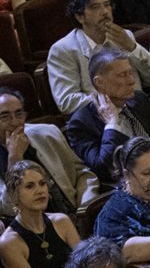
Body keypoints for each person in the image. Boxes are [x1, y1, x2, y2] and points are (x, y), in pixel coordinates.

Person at [64, 49, 150, 188]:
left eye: (130, 73)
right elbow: (104, 169)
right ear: (99, 82)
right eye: (122, 75)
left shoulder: (138, 99)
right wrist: (112, 124)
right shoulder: (81, 123)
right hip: (131, 193)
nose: (131, 81)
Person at [0, 88, 99, 217]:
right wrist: (14, 158)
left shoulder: (47, 133)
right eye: (4, 117)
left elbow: (82, 174)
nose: (14, 122)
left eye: (19, 114)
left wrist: (85, 208)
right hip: (33, 230)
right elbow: (8, 208)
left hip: (75, 214)